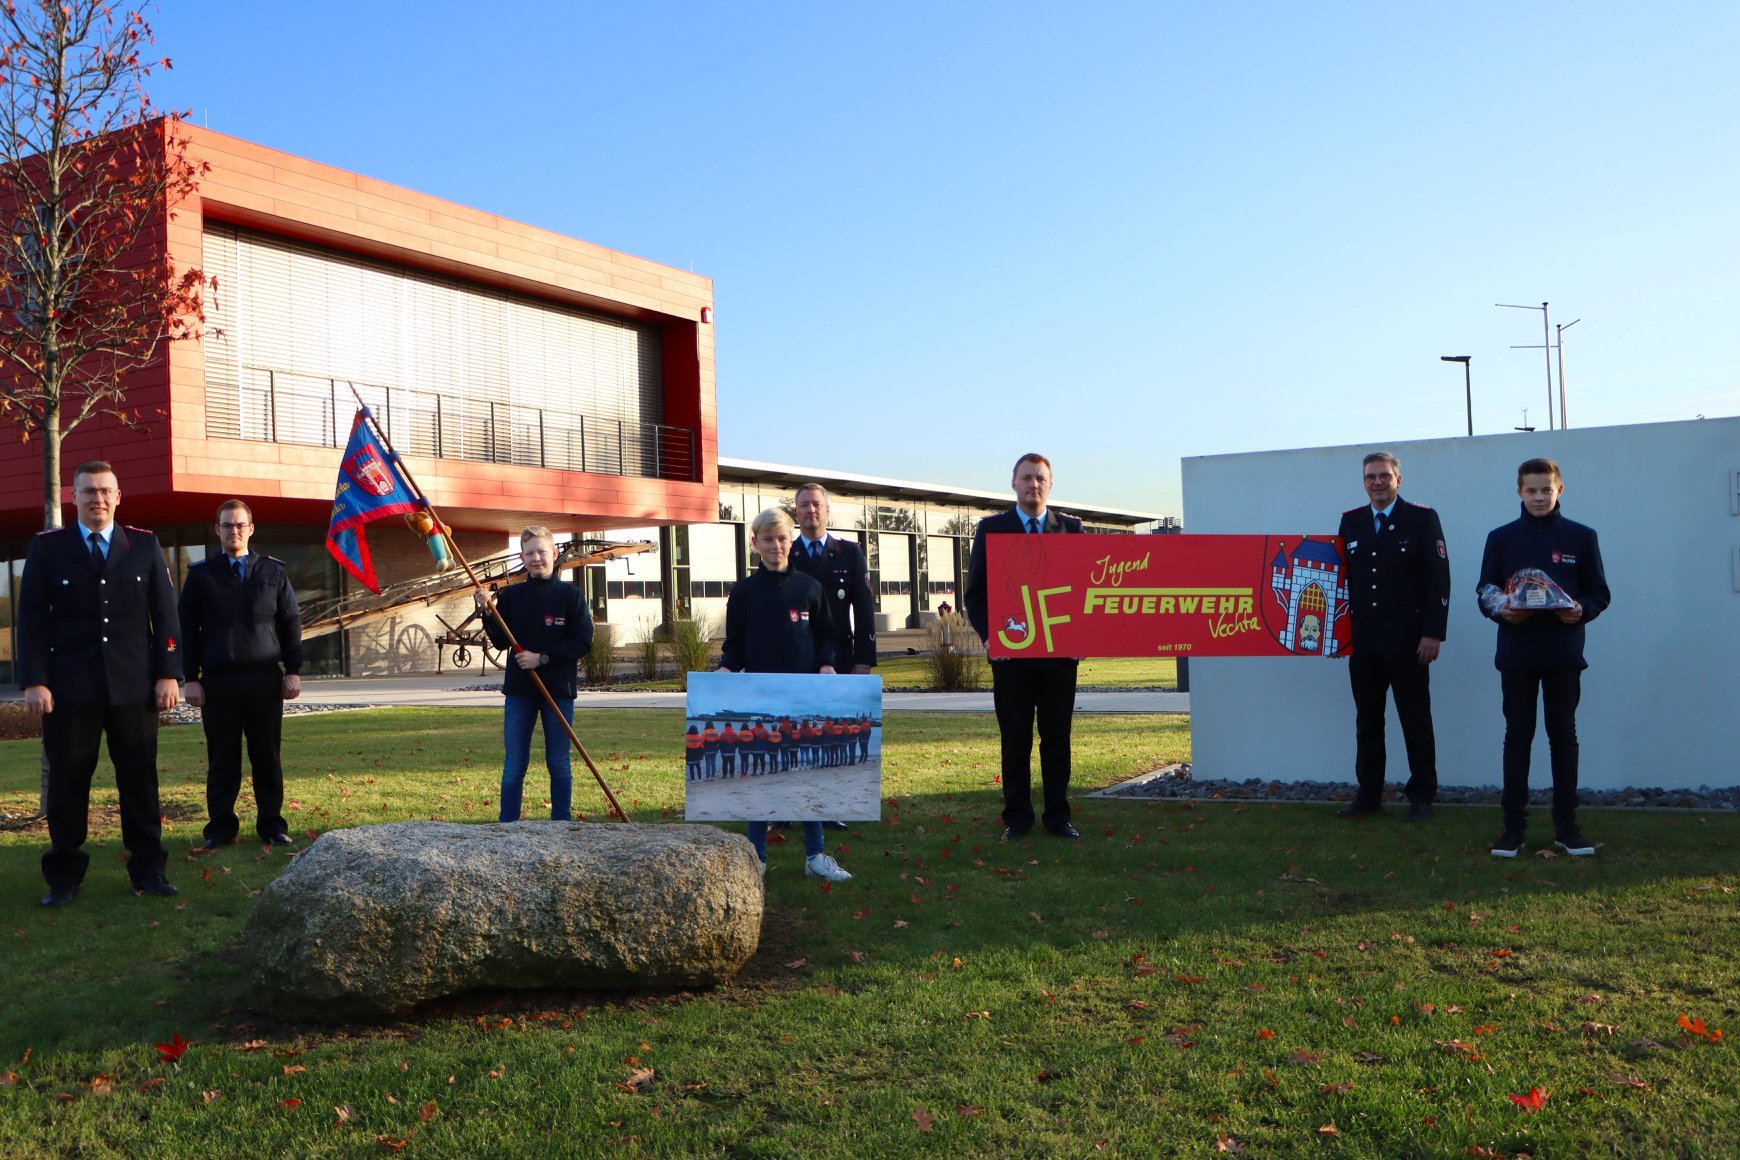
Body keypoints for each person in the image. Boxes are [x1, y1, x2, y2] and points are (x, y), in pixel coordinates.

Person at [18, 460, 182, 907]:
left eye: (106, 490)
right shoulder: (48, 548)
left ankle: (148, 872)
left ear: (118, 496)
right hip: (70, 692)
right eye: (89, 491)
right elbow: (31, 621)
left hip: (134, 688)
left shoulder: (144, 546)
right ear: (73, 496)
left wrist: (168, 671)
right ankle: (64, 877)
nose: (98, 499)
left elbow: (166, 615)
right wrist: (35, 680)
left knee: (140, 783)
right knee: (69, 784)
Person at [1477, 458, 1610, 858]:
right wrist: (1500, 609)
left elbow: (1599, 593)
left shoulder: (1582, 537)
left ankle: (1567, 828)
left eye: (1545, 489)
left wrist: (1580, 610)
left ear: (1559, 491)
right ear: (1518, 492)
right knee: (1517, 739)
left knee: (1563, 738)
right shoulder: (1500, 538)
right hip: (1516, 653)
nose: (1538, 497)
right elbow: (1484, 590)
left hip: (1563, 653)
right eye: (1531, 490)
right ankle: (1512, 829)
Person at [719, 506, 851, 882]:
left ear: (791, 541)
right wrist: (728, 667)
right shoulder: (744, 592)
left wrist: (826, 664)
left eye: (782, 539)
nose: (775, 545)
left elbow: (827, 635)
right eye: (767, 539)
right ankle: (756, 857)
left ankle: (816, 856)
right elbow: (735, 643)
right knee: (760, 776)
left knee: (806, 774)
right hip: (760, 696)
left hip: (804, 696)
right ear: (755, 543)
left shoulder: (810, 588)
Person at [965, 452, 1084, 840]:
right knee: (1015, 738)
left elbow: (1083, 591)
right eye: (1027, 477)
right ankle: (1017, 818)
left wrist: (1083, 636)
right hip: (1011, 656)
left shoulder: (1071, 529)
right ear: (1013, 483)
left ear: (1050, 485)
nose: (1034, 484)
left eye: (1040, 479)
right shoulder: (991, 529)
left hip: (1058, 657)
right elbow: (976, 595)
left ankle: (1057, 817)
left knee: (1057, 738)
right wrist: (988, 637)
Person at [178, 500, 305, 850]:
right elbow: (183, 632)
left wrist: (293, 671)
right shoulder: (201, 575)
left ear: (250, 529)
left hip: (264, 680)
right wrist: (189, 677)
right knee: (223, 758)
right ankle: (220, 828)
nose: (233, 531)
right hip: (218, 683)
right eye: (226, 525)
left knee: (267, 756)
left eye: (239, 525)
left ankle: (272, 826)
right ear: (216, 530)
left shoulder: (273, 572)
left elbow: (291, 624)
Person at [1334, 451, 1451, 823]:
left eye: (1384, 476)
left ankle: (1421, 797)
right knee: (1367, 722)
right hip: (1364, 643)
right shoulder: (1350, 522)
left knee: (1415, 720)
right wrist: (1336, 636)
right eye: (1370, 477)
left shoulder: (1421, 518)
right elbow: (1340, 584)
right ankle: (1368, 796)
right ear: (1363, 482)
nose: (1377, 482)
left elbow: (1438, 579)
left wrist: (1433, 632)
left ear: (1398, 479)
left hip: (1408, 642)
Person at [478, 526, 594, 821]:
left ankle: (562, 823)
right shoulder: (512, 596)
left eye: (542, 552)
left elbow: (582, 642)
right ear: (522, 557)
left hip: (558, 690)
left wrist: (541, 658)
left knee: (558, 762)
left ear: (554, 554)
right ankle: (508, 825)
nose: (536, 558)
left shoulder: (571, 596)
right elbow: (502, 640)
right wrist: (488, 612)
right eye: (529, 553)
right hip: (520, 691)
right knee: (515, 763)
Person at [789, 483, 877, 675]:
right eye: (804, 505)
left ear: (827, 510)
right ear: (796, 512)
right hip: (796, 661)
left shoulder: (850, 553)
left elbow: (864, 610)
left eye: (816, 504)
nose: (810, 510)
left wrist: (864, 660)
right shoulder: (786, 555)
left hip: (840, 659)